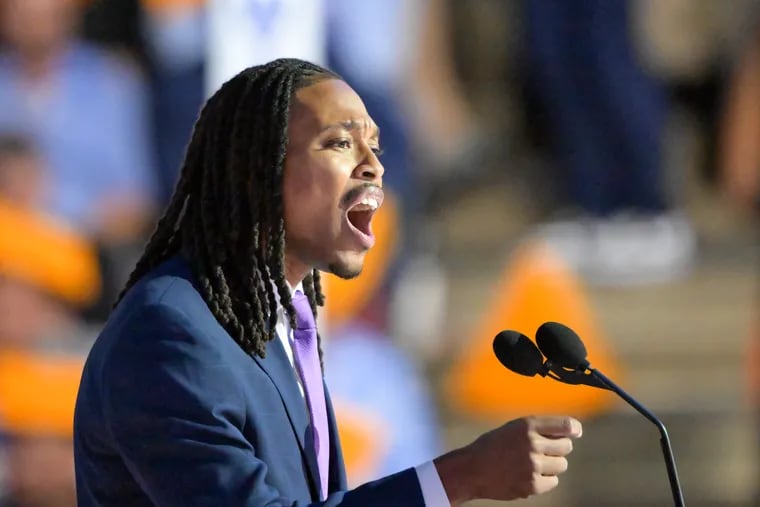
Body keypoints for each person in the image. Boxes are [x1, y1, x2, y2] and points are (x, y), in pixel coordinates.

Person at [73, 58, 582, 506]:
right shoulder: (171, 333)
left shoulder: (280, 315)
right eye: (340, 143)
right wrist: (460, 476)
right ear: (259, 172)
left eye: (376, 147)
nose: (375, 168)